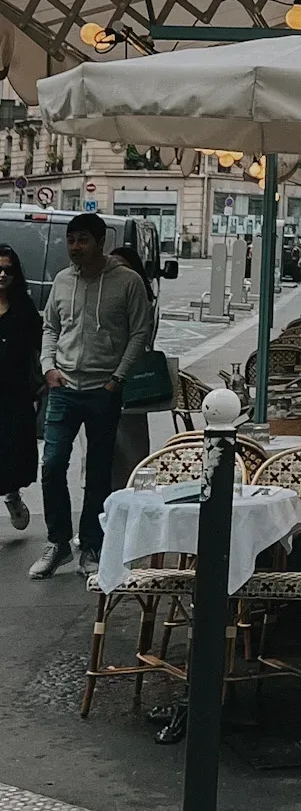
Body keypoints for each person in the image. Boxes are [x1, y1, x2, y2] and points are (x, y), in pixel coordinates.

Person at [31, 214, 153, 580]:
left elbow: (140, 331)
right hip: (64, 388)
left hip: (104, 390)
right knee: (52, 466)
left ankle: (91, 544)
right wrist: (48, 366)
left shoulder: (127, 282)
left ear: (100, 242)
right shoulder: (63, 280)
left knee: (99, 471)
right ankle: (57, 543)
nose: (75, 247)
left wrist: (118, 378)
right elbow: (51, 326)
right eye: (71, 240)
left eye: (83, 240)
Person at [108, 240, 159, 491]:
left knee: (131, 448)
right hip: (103, 382)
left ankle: (130, 492)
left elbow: (142, 338)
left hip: (133, 383)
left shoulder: (143, 301)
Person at [0, 243, 44, 530]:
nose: (2, 275)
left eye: (8, 270)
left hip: (14, 391)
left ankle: (12, 494)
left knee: (11, 452)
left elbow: (39, 344)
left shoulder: (24, 307)